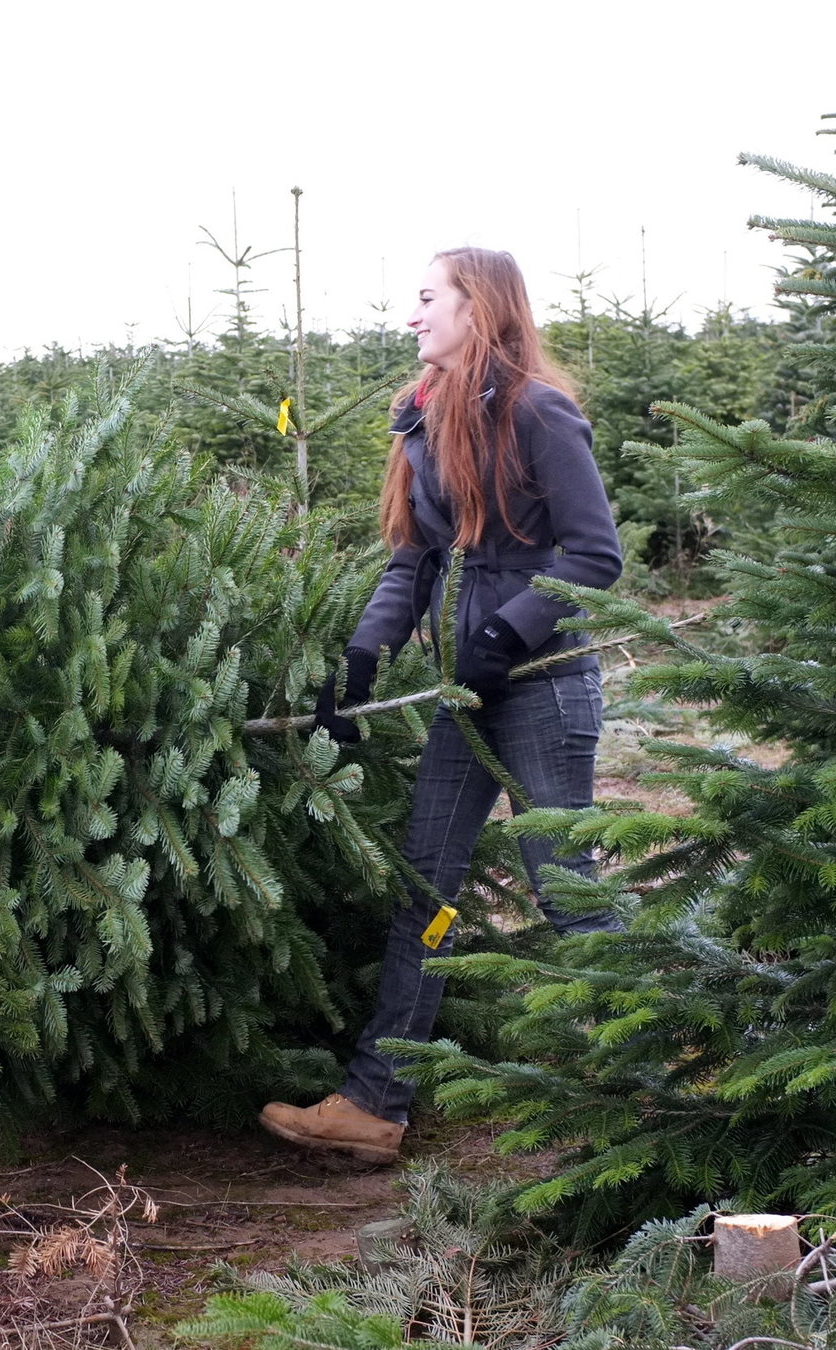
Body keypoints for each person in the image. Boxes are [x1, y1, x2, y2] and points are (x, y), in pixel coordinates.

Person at [259, 247, 623, 1165]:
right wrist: (362, 660)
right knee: (427, 885)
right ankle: (375, 1104)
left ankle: (649, 1072)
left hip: (541, 686)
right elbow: (412, 561)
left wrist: (509, 632)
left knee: (564, 887)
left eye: (428, 300)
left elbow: (593, 555)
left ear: (479, 308)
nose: (412, 317)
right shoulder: (425, 419)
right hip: (466, 696)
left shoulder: (541, 412)